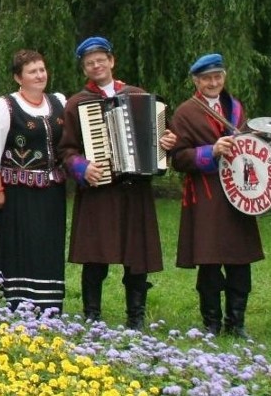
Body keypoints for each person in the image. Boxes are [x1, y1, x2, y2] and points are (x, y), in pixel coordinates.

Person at [58, 36, 177, 330]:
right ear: (84, 69)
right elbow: (65, 150)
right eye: (89, 63)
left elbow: (158, 140)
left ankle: (135, 317)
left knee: (136, 252)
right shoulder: (77, 104)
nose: (96, 65)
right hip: (99, 190)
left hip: (134, 189)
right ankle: (92, 314)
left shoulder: (139, 96)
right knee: (94, 254)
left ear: (112, 61)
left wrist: (166, 143)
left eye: (100, 60)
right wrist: (82, 167)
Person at [169, 53, 264, 338]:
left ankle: (237, 323)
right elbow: (179, 158)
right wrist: (210, 151)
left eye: (218, 76)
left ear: (224, 77)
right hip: (207, 193)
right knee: (210, 260)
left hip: (238, 192)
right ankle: (211, 323)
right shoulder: (186, 112)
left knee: (240, 258)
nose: (213, 82)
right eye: (207, 78)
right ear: (197, 81)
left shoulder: (235, 107)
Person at [0, 49, 67, 313]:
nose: (39, 75)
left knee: (47, 245)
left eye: (42, 69)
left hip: (52, 190)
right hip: (16, 191)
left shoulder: (60, 102)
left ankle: (48, 304)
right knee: (18, 245)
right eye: (32, 71)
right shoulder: (5, 106)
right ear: (19, 77)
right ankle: (12, 302)